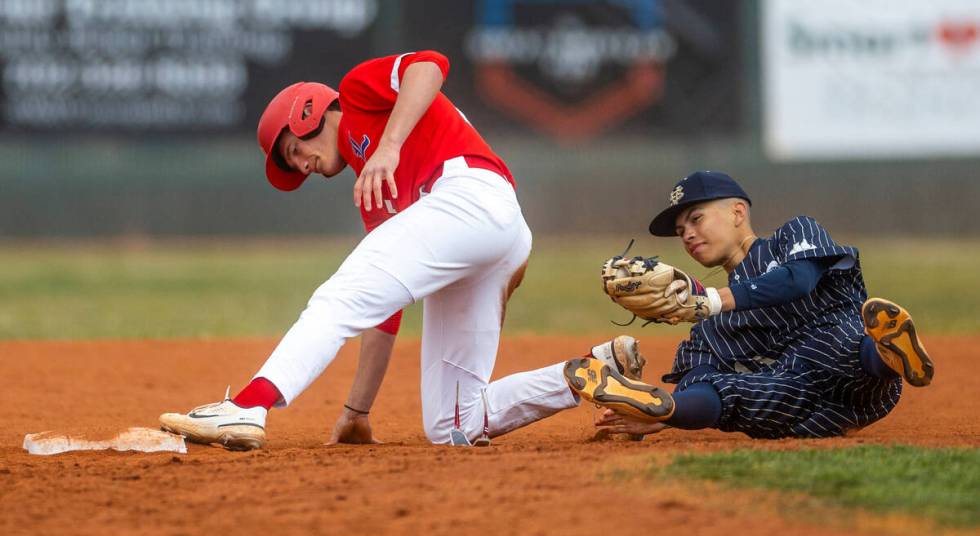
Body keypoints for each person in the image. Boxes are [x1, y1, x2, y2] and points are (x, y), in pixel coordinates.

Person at [158, 50, 662, 450]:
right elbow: (385, 312)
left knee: (336, 299)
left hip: (470, 197)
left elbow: (430, 65)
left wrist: (391, 143)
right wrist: (358, 412)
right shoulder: (374, 190)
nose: (302, 165)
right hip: (486, 232)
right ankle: (590, 372)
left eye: (295, 150)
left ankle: (249, 406)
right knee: (453, 423)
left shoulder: (356, 93)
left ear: (310, 113)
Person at [569, 171, 935, 439]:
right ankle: (666, 406)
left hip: (856, 365)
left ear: (738, 212)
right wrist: (664, 415)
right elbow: (700, 378)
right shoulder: (711, 327)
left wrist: (711, 300)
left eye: (695, 219)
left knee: (841, 342)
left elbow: (798, 279)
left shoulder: (794, 234)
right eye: (681, 233)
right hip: (809, 408)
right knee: (735, 391)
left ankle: (887, 352)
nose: (689, 235)